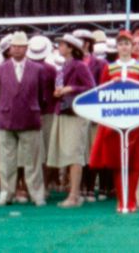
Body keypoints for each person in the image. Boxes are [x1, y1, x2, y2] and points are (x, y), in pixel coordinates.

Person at [87, 30, 139, 211]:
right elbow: (102, 95)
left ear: (132, 47)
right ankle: (122, 201)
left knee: (135, 162)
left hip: (136, 124)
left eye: (127, 44)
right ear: (117, 47)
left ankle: (133, 200)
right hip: (114, 124)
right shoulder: (109, 68)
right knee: (118, 163)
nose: (124, 47)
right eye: (121, 44)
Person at [0, 31, 50, 207]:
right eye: (14, 46)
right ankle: (6, 193)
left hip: (30, 118)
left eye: (21, 46)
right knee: (6, 161)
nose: (17, 49)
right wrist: (0, 111)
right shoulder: (0, 69)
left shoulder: (38, 69)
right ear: (9, 49)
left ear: (26, 48)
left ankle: (37, 194)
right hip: (6, 119)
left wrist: (36, 110)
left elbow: (42, 96)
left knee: (33, 161)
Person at [48, 34, 94, 207]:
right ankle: (73, 192)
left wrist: (70, 88)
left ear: (70, 48)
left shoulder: (79, 66)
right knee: (69, 154)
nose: (59, 47)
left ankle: (74, 195)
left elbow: (91, 88)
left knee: (75, 154)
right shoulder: (64, 66)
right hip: (65, 111)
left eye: (62, 44)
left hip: (75, 114)